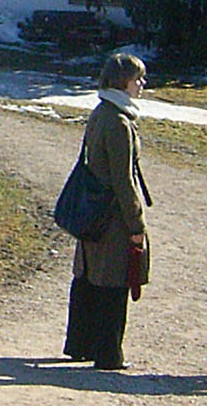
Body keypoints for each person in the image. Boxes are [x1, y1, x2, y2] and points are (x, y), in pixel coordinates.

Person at [62, 51, 153, 372]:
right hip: (111, 215)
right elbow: (123, 180)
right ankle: (108, 354)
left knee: (88, 277)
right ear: (122, 81)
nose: (142, 84)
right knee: (113, 283)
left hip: (93, 208)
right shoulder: (118, 122)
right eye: (137, 79)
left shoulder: (102, 111)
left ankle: (80, 344)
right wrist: (136, 224)